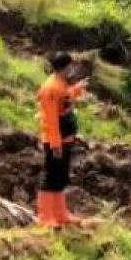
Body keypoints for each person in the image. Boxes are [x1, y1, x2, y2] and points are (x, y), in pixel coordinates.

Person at [37, 51, 88, 228]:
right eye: (71, 66)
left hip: (65, 138)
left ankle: (60, 214)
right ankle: (45, 217)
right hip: (55, 140)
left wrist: (76, 90)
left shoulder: (60, 84)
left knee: (60, 177)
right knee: (50, 176)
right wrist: (55, 144)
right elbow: (51, 119)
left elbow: (64, 101)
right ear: (64, 67)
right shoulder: (50, 88)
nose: (72, 69)